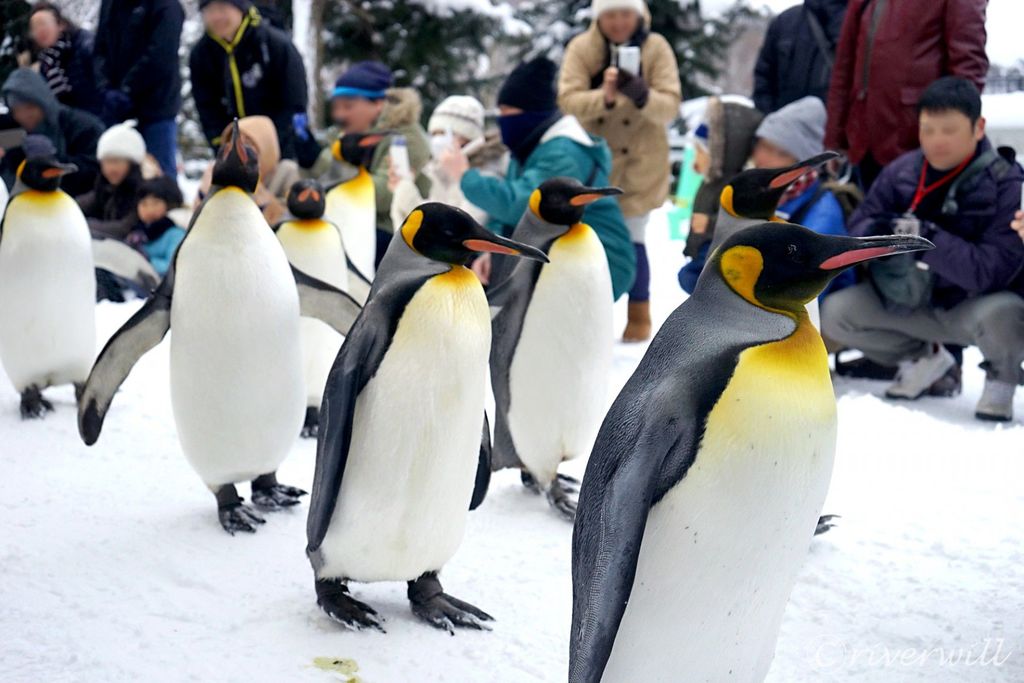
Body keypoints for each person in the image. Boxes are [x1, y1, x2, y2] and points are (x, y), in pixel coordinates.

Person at [821, 77, 1024, 422]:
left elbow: (992, 270)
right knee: (838, 313)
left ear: (979, 127)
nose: (936, 141)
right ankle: (924, 359)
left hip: (970, 307)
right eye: (927, 129)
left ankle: (1001, 378)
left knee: (1004, 313)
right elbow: (860, 227)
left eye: (949, 130)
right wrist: (886, 233)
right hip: (908, 300)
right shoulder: (902, 172)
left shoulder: (1005, 181)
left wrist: (925, 239)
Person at [441, 57, 635, 300]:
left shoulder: (563, 153)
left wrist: (465, 176)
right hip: (561, 255)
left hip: (600, 260)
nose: (503, 121)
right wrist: (491, 251)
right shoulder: (530, 149)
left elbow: (522, 205)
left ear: (532, 113)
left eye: (508, 112)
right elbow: (509, 217)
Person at [558, 0, 681, 341]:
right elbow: (567, 100)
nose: (618, 22)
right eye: (610, 14)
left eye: (625, 13)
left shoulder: (656, 48)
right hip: (594, 163)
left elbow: (670, 105)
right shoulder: (582, 49)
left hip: (641, 161)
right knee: (590, 241)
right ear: (599, 17)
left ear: (639, 14)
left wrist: (641, 95)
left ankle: (639, 313)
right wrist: (605, 97)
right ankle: (590, 314)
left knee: (634, 237)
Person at [825, 0, 988, 191]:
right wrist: (834, 141)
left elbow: (967, 72)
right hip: (863, 143)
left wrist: (951, 140)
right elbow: (843, 70)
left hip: (918, 142)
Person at [312, 61, 431, 263]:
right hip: (349, 221)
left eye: (348, 106)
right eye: (337, 107)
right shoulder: (345, 132)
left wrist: (332, 161)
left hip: (392, 231)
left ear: (377, 104)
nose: (339, 115)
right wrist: (310, 157)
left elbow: (385, 196)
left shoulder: (406, 137)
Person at [752, 96, 852, 298]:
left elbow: (798, 296)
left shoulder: (822, 215)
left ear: (802, 164)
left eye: (780, 153)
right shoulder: (761, 195)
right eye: (763, 145)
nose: (764, 158)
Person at [190, 0, 308, 162]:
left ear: (240, 9)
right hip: (234, 154)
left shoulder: (274, 44)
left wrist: (270, 144)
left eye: (222, 9)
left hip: (280, 149)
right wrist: (222, 145)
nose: (216, 17)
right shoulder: (201, 55)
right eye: (209, 11)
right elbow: (207, 107)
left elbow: (295, 101)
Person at [677, 97, 763, 293]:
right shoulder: (711, 181)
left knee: (689, 278)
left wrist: (707, 224)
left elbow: (739, 223)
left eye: (701, 153)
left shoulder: (736, 187)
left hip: (713, 258)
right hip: (702, 252)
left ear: (719, 154)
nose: (694, 161)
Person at [94, 0, 184, 179]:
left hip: (156, 106)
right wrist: (105, 87)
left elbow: (161, 55)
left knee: (159, 178)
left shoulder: (166, 5)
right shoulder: (110, 4)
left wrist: (127, 89)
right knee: (116, 178)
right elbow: (100, 49)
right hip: (116, 108)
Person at [388, 95, 490, 245]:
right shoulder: (440, 173)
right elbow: (414, 236)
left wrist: (405, 190)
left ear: (467, 137)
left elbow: (449, 235)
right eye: (434, 134)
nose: (437, 141)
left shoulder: (484, 175)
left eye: (444, 133)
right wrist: (401, 188)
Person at [0, 67, 103, 197]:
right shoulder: (18, 135)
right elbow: (9, 176)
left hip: (78, 204)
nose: (24, 116)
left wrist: (52, 160)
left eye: (30, 108)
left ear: (43, 102)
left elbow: (96, 172)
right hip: (31, 205)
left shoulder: (84, 127)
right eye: (17, 110)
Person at [196, 115, 301, 225]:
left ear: (266, 143)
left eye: (249, 142)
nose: (240, 147)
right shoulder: (216, 171)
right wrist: (210, 189)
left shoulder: (286, 171)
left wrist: (257, 191)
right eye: (233, 141)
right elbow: (198, 221)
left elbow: (294, 218)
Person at [752, 0, 847, 114]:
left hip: (838, 126)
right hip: (786, 126)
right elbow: (764, 78)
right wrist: (773, 119)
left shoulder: (861, 20)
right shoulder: (785, 22)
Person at [24, 1, 102, 117]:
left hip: (99, 118)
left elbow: (104, 85)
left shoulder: (83, 45)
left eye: (43, 24)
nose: (40, 31)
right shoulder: (46, 65)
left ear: (60, 25)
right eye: (35, 27)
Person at [76, 122, 147, 240]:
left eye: (117, 162)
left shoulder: (144, 192)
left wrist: (80, 226)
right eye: (107, 162)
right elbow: (79, 205)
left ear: (132, 164)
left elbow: (124, 228)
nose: (111, 168)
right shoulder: (105, 189)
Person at [126, 176, 186, 276]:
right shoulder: (137, 233)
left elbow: (173, 267)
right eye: (144, 204)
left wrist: (146, 261)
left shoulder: (175, 234)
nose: (149, 210)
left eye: (155, 203)